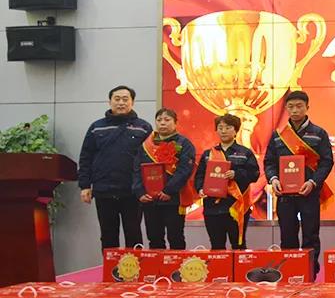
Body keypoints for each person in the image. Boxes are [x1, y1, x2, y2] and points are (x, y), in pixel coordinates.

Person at [264, 91, 334, 277]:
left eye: (299, 106)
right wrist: (273, 179)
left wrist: (313, 182)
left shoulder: (319, 133)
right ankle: (289, 271)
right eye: (291, 107)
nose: (295, 110)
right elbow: (269, 162)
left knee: (311, 235)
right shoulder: (278, 135)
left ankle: (311, 272)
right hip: (285, 195)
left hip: (309, 192)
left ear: (307, 107)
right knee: (287, 235)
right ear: (286, 109)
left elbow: (327, 162)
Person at [78, 85, 152, 249]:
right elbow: (86, 157)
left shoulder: (144, 127)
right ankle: (110, 266)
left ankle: (134, 266)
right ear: (109, 102)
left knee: (134, 233)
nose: (121, 103)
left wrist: (148, 188)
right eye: (117, 99)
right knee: (108, 234)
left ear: (132, 102)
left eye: (125, 99)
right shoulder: (96, 127)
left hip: (133, 191)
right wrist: (85, 185)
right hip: (104, 190)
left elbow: (151, 160)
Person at [132, 108, 197, 250]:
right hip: (149, 199)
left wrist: (169, 190)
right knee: (154, 238)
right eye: (159, 120)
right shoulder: (146, 144)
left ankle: (177, 265)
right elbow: (137, 169)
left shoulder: (184, 144)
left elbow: (184, 170)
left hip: (173, 199)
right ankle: (157, 265)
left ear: (175, 123)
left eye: (167, 120)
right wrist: (140, 192)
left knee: (175, 237)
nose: (162, 123)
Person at [194, 114, 260, 250]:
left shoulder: (245, 153)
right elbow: (199, 176)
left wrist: (236, 174)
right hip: (212, 207)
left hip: (236, 206)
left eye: (228, 127)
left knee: (238, 245)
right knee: (216, 246)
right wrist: (200, 189)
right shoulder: (208, 154)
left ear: (236, 131)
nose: (223, 131)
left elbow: (254, 174)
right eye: (220, 128)